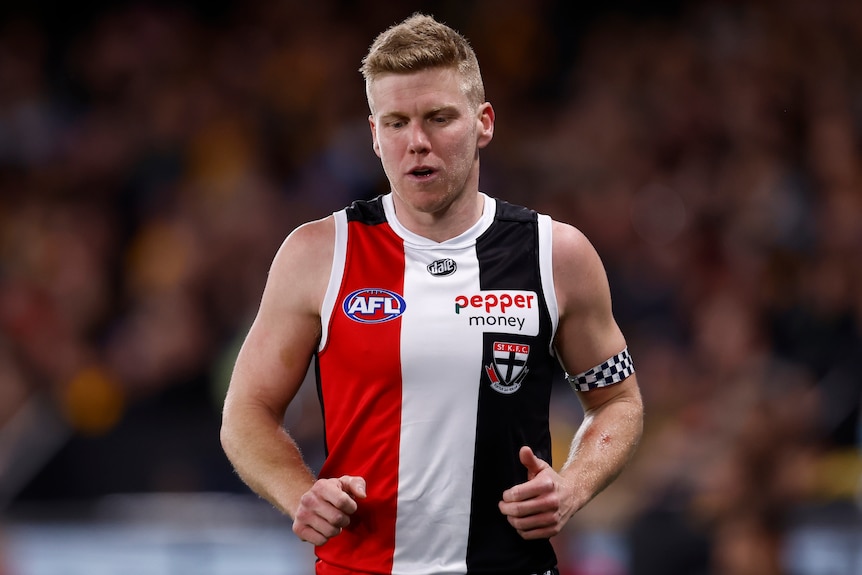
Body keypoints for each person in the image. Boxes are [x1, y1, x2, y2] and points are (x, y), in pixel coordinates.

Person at [220, 12, 643, 575]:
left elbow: (618, 400)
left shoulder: (555, 255)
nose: (416, 142)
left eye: (438, 118)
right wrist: (300, 493)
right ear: (373, 135)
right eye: (395, 123)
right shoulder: (318, 255)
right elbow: (245, 412)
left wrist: (572, 489)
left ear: (483, 122)